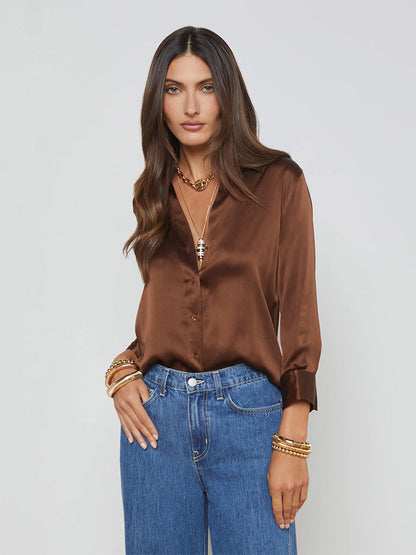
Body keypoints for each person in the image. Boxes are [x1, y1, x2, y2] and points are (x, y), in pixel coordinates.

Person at [105, 26, 322, 555]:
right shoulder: (152, 191)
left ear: (229, 94)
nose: (191, 106)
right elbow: (163, 316)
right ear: (158, 101)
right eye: (174, 89)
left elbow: (297, 319)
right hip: (156, 427)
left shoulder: (279, 183)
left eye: (206, 87)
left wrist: (293, 441)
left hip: (250, 419)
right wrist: (121, 370)